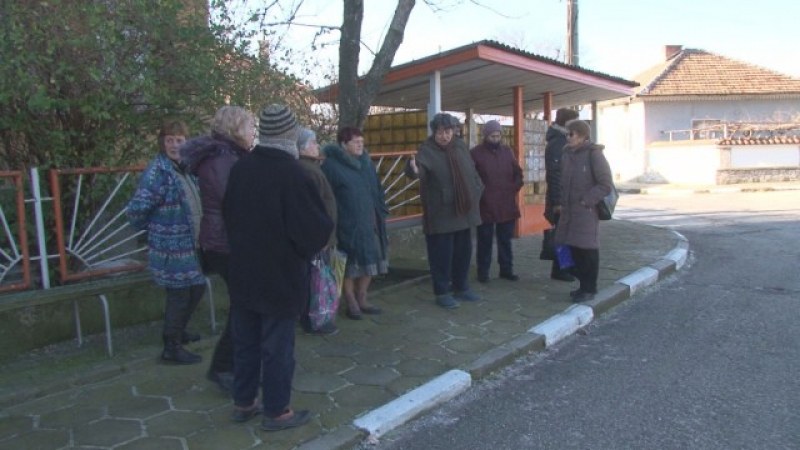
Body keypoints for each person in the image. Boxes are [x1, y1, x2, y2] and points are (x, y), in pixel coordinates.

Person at [223, 104, 332, 431]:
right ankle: (277, 411)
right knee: (277, 347)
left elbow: (226, 213)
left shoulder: (241, 168)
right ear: (289, 134)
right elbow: (315, 229)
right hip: (281, 275)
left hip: (243, 271)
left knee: (245, 341)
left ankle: (243, 402)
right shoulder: (294, 173)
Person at [180, 106, 256, 392]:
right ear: (236, 129)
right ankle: (223, 367)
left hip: (227, 239)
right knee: (244, 305)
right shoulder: (221, 159)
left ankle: (233, 364)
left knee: (245, 304)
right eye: (250, 127)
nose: (252, 133)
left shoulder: (228, 156)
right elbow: (236, 199)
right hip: (225, 242)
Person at [126, 120, 205, 365]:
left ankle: (179, 332)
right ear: (162, 142)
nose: (174, 145)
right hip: (170, 244)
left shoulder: (186, 167)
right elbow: (138, 207)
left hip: (189, 244)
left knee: (197, 287)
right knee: (180, 293)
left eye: (179, 140)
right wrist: (151, 230)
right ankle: (171, 346)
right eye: (169, 140)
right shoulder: (158, 171)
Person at [406, 113, 484, 309]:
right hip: (441, 213)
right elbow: (419, 170)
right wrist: (413, 170)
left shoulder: (460, 146)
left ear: (454, 131)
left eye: (448, 131)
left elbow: (472, 170)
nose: (444, 136)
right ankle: (442, 291)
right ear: (434, 132)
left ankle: (462, 287)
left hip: (464, 210)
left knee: (463, 252)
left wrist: (477, 188)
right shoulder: (427, 150)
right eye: (440, 132)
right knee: (442, 255)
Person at [321, 127, 388, 320]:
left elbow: (378, 188)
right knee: (350, 264)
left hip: (371, 220)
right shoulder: (331, 167)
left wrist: (381, 211)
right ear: (343, 144)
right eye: (355, 142)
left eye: (362, 141)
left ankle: (362, 297)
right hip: (347, 223)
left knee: (372, 259)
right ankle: (350, 300)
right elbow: (327, 197)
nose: (360, 145)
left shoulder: (366, 163)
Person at [554, 119, 614, 303]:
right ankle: (581, 283)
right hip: (568, 211)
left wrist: (586, 200)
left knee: (586, 250)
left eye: (571, 134)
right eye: (567, 134)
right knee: (564, 247)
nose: (568, 137)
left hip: (585, 211)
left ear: (582, 136)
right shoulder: (567, 154)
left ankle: (589, 288)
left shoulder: (594, 154)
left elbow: (605, 184)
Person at [297, 127, 339, 334]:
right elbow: (315, 207)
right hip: (317, 237)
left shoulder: (312, 167)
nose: (317, 146)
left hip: (321, 234)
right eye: (313, 143)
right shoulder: (307, 170)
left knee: (316, 278)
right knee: (314, 280)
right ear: (303, 147)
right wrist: (322, 237)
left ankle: (317, 316)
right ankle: (314, 318)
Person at [470, 120, 523, 283]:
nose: (496, 138)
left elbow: (517, 173)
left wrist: (513, 188)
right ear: (486, 136)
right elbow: (471, 177)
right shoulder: (475, 153)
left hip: (506, 203)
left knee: (505, 240)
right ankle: (483, 272)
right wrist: (480, 194)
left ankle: (506, 270)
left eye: (498, 135)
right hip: (485, 205)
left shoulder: (507, 152)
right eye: (493, 135)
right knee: (484, 241)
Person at [545, 108, 579, 282]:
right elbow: (554, 174)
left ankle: (567, 267)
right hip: (560, 200)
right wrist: (557, 201)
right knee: (562, 235)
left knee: (567, 234)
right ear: (566, 123)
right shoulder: (557, 143)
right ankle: (560, 269)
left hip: (567, 198)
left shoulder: (563, 141)